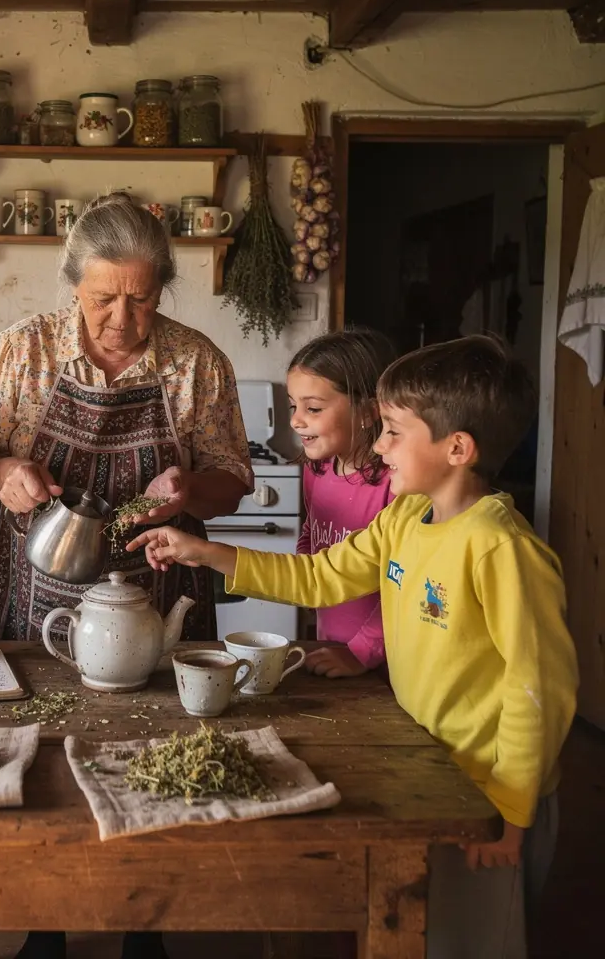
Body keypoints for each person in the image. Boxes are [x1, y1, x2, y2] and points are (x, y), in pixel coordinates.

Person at [129, 335, 579, 959]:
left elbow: (540, 691)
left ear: (457, 448)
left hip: (492, 792)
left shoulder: (502, 550)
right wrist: (203, 551)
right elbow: (318, 576)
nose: (381, 444)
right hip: (431, 768)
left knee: (475, 940)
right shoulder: (403, 519)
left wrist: (512, 814)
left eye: (393, 430)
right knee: (420, 928)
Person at [0, 192, 252, 959]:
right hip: (36, 579)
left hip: (158, 580)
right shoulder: (24, 349)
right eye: (101, 298)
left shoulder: (196, 362)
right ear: (72, 284)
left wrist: (189, 491)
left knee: (152, 745)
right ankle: (43, 928)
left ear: (161, 289)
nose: (120, 318)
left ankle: (144, 928)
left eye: (140, 298)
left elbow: (233, 479)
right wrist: (4, 474)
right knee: (41, 744)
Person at [288, 328, 397, 677]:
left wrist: (362, 652)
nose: (295, 420)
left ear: (367, 412)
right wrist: (303, 571)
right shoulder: (316, 470)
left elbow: (401, 583)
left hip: (384, 660)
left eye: (313, 408)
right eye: (293, 405)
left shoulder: (395, 486)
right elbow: (312, 530)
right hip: (332, 647)